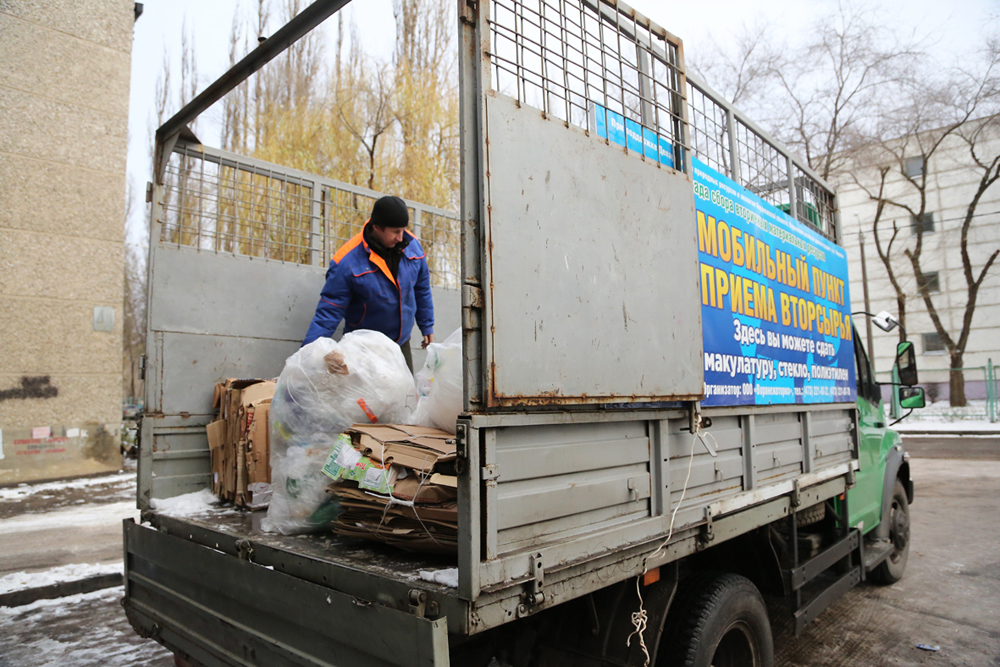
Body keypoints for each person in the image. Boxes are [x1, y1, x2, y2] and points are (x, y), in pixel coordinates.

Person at [302, 195, 434, 372]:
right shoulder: (346, 262)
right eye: (395, 231)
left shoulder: (413, 246)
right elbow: (328, 312)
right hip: (363, 349)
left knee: (405, 396)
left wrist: (426, 324)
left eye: (403, 230)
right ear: (377, 227)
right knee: (364, 398)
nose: (401, 237)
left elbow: (421, 288)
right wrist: (306, 357)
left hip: (400, 343)